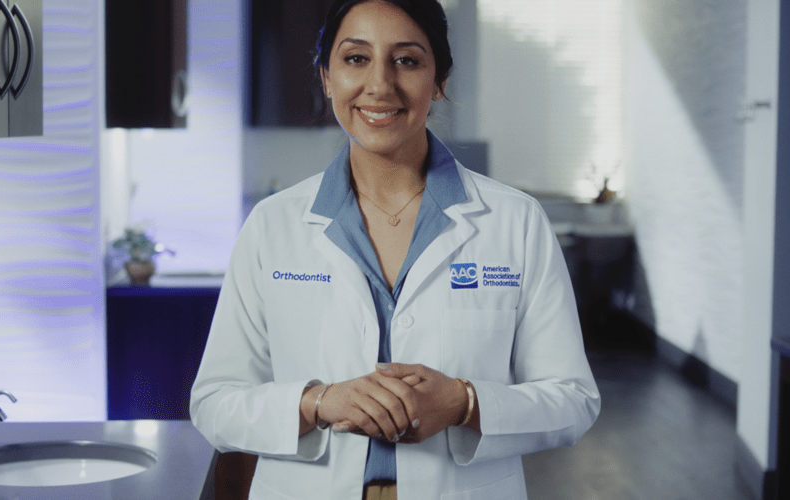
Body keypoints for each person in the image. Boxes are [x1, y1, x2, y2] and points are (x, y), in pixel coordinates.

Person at [189, 0, 601, 498]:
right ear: (326, 77)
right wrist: (317, 402)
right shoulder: (272, 226)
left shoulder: (516, 223)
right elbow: (215, 404)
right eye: (356, 59)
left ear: (440, 79)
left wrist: (465, 403)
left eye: (406, 60)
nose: (380, 85)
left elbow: (573, 400)